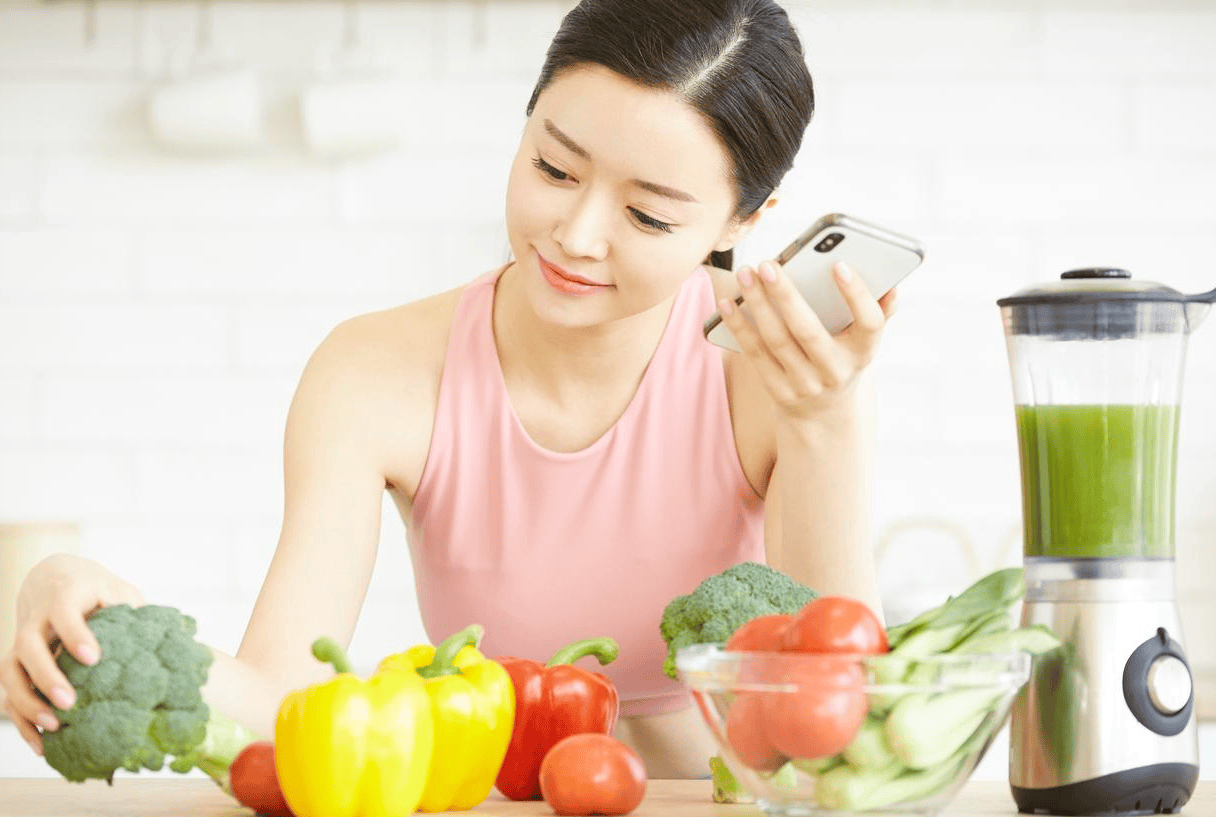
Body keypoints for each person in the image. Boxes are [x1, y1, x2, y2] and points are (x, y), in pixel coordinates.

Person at [1, 0, 897, 779]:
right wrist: (83, 602)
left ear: (744, 221)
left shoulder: (779, 370)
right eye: (554, 167)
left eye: (648, 214)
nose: (576, 234)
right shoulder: (373, 371)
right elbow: (281, 710)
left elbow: (845, 720)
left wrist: (828, 421)